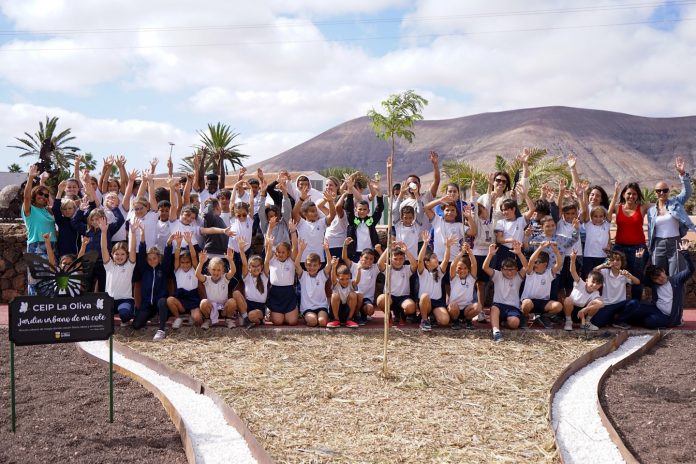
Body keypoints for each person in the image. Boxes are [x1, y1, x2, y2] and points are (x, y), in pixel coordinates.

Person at [647, 156, 695, 276]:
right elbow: (650, 230)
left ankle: (676, 290)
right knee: (657, 276)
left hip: (675, 243)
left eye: (665, 190)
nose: (662, 193)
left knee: (676, 275)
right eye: (659, 190)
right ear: (655, 193)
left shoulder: (676, 202)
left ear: (668, 192)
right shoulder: (651, 211)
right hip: (658, 244)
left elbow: (687, 192)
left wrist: (682, 174)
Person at [608, 181, 651, 300]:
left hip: (638, 249)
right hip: (619, 248)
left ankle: (635, 305)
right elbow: (607, 215)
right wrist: (615, 194)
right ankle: (617, 303)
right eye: (628, 193)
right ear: (623, 194)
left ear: (638, 195)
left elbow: (660, 205)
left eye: (634, 194)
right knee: (616, 276)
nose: (631, 196)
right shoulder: (617, 207)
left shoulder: (642, 207)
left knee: (637, 278)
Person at [482, 242, 528, 343]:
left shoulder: (518, 277)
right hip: (498, 305)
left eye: (512, 269)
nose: (509, 272)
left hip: (512, 307)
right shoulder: (497, 275)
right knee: (494, 308)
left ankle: (503, 323)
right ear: (502, 269)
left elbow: (526, 267)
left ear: (516, 269)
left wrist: (519, 253)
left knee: (514, 323)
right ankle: (496, 332)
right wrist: (490, 254)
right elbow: (485, 267)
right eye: (506, 270)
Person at [22, 165, 56, 295]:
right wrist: (31, 177)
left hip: (52, 246)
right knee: (36, 281)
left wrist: (43, 182)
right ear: (34, 194)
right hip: (36, 246)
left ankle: (49, 306)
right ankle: (34, 305)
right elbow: (26, 197)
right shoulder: (29, 209)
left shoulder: (48, 211)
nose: (43, 196)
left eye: (46, 195)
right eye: (40, 194)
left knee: (52, 280)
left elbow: (52, 202)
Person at [100, 216, 138, 325]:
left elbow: (133, 249)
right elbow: (103, 248)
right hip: (109, 300)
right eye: (117, 254)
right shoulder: (109, 265)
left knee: (125, 315)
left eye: (122, 254)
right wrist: (103, 232)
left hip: (125, 300)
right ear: (112, 255)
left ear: (127, 255)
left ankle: (128, 313)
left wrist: (133, 232)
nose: (119, 256)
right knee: (99, 315)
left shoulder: (130, 265)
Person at [162, 231, 201, 333]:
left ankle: (191, 315)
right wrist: (178, 244)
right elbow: (176, 257)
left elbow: (194, 256)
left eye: (187, 262)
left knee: (197, 319)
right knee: (170, 300)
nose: (185, 264)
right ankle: (178, 317)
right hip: (181, 299)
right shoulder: (177, 269)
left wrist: (190, 243)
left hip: (193, 298)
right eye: (183, 262)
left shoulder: (194, 269)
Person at [591, 250, 640, 329]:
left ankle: (619, 321)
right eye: (613, 260)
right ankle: (611, 319)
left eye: (618, 260)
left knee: (634, 303)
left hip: (620, 304)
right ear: (609, 262)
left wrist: (629, 276)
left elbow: (637, 282)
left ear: (622, 262)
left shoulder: (624, 273)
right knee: (597, 323)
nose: (615, 262)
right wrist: (604, 265)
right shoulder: (605, 272)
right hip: (607, 305)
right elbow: (594, 270)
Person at [417, 231, 454, 331]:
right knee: (425, 296)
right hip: (426, 302)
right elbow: (420, 260)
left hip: (437, 302)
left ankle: (433, 317)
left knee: (445, 321)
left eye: (436, 257)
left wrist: (448, 247)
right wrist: (425, 243)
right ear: (427, 262)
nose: (436, 259)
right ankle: (424, 320)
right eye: (433, 257)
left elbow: (446, 260)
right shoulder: (422, 272)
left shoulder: (439, 272)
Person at [520, 242, 563, 328]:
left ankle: (543, 317)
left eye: (537, 262)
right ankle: (525, 317)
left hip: (543, 302)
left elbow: (559, 264)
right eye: (534, 262)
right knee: (526, 304)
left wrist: (556, 251)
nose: (534, 264)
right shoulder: (530, 272)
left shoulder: (549, 273)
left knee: (558, 306)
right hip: (530, 301)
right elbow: (531, 261)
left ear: (545, 264)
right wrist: (540, 247)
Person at [265, 222, 299, 326]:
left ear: (288, 253)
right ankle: (270, 312)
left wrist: (293, 231)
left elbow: (295, 247)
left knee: (292, 322)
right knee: (278, 322)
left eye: (283, 252)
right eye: (279, 252)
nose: (280, 254)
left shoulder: (291, 261)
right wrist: (270, 228)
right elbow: (267, 245)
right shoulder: (272, 260)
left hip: (288, 292)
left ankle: (290, 312)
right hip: (275, 292)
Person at [376, 242, 418, 324]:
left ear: (404, 259)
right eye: (395, 259)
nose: (398, 261)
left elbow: (414, 265)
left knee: (411, 307)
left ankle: (402, 314)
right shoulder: (388, 268)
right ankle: (388, 315)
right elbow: (380, 263)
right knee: (381, 299)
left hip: (403, 298)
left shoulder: (407, 269)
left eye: (401, 259)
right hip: (389, 297)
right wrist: (388, 249)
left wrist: (406, 251)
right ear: (390, 259)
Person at [196, 248, 238, 329]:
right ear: (209, 270)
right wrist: (201, 263)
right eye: (213, 269)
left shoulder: (225, 278)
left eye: (219, 270)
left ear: (223, 270)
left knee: (232, 302)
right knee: (203, 302)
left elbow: (233, 271)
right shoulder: (207, 279)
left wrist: (230, 260)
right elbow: (197, 274)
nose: (216, 272)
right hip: (211, 308)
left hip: (224, 309)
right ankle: (207, 320)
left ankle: (228, 319)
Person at [562, 250, 604, 331]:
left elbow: (601, 304)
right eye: (593, 282)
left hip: (583, 313)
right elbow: (573, 271)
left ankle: (586, 323)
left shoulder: (596, 293)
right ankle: (568, 321)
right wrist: (573, 260)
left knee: (596, 303)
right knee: (567, 300)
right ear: (587, 280)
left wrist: (586, 309)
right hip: (572, 310)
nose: (594, 285)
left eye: (598, 284)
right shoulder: (580, 283)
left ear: (600, 286)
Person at [295, 240, 333, 328]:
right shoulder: (303, 275)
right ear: (305, 265)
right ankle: (308, 318)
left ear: (319, 266)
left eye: (315, 265)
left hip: (321, 306)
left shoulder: (322, 275)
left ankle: (320, 318)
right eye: (309, 265)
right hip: (307, 308)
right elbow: (296, 265)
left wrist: (327, 250)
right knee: (312, 321)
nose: (312, 267)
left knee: (322, 322)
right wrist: (301, 250)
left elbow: (329, 264)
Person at [343, 240, 380, 324]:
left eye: (371, 259)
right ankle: (354, 315)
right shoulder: (354, 266)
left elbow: (382, 262)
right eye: (366, 258)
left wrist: (379, 251)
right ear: (360, 258)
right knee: (357, 295)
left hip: (367, 299)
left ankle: (362, 314)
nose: (368, 260)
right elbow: (345, 258)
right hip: (354, 297)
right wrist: (345, 245)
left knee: (370, 309)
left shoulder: (374, 268)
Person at [447, 244, 481, 330]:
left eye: (465, 268)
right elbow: (453, 265)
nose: (462, 270)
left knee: (478, 306)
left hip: (466, 309)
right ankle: (455, 321)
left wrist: (470, 252)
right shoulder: (454, 278)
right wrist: (462, 252)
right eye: (459, 268)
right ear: (456, 269)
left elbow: (474, 264)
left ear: (468, 269)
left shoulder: (471, 278)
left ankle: (467, 320)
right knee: (452, 305)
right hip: (455, 308)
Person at [231, 250, 268, 328]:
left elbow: (267, 261)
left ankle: (254, 320)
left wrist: (269, 246)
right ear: (249, 268)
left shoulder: (264, 276)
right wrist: (241, 249)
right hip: (247, 305)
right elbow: (244, 264)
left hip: (259, 307)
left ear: (261, 267)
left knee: (252, 315)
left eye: (258, 266)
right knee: (236, 293)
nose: (256, 268)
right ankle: (246, 318)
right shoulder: (247, 277)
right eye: (253, 266)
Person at [328, 263, 360, 328]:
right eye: (342, 279)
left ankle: (350, 319)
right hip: (337, 310)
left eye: (347, 279)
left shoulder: (351, 283)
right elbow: (333, 279)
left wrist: (359, 270)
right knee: (334, 295)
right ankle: (336, 320)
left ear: (350, 276)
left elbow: (357, 281)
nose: (345, 281)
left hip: (347, 310)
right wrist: (333, 267)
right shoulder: (336, 283)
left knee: (353, 294)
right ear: (337, 277)